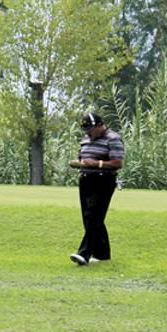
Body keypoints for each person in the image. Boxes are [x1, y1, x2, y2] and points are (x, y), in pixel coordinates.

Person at [68, 112, 125, 266]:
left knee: (94, 216)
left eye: (91, 129)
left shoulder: (113, 139)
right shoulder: (86, 139)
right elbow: (84, 159)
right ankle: (102, 254)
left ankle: (84, 253)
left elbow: (117, 163)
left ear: (100, 125)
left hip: (103, 180)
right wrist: (78, 163)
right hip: (86, 180)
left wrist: (97, 163)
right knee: (89, 217)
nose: (88, 132)